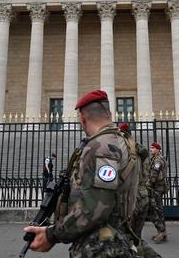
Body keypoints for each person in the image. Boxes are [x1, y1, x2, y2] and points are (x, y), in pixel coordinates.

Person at [24, 90, 140, 257]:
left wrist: (52, 235)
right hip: (115, 240)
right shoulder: (123, 142)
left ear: (82, 117)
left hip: (100, 247)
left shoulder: (100, 147)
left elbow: (96, 208)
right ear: (109, 113)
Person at [122, 123, 162, 258]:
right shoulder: (141, 151)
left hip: (131, 199)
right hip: (143, 196)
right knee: (136, 237)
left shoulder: (124, 152)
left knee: (127, 238)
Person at [147, 142, 169, 244]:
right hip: (157, 187)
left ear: (158, 149)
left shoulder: (158, 160)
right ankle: (162, 232)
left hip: (157, 188)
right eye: (151, 147)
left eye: (153, 148)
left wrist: (148, 184)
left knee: (156, 210)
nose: (151, 149)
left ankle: (161, 232)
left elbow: (154, 174)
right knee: (158, 210)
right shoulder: (154, 159)